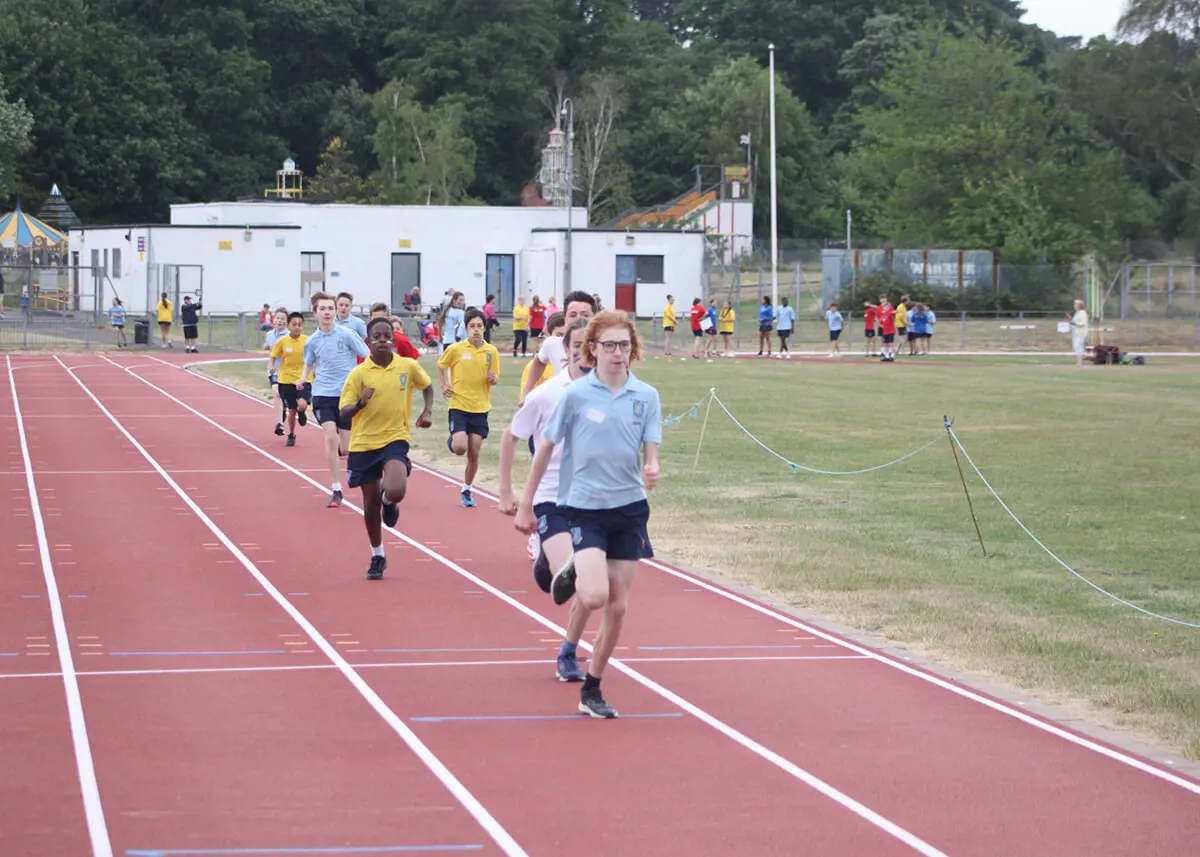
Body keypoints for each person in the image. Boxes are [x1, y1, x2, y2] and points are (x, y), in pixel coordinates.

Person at [515, 311, 661, 719]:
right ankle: (564, 567)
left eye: (625, 346)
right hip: (584, 506)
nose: (618, 353)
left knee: (618, 606)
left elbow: (650, 451)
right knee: (595, 595)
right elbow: (544, 449)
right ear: (592, 349)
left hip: (629, 508)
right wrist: (527, 502)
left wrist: (652, 468)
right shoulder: (575, 396)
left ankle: (592, 687)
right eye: (610, 345)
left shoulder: (646, 397)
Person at [498, 318, 593, 682]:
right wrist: (511, 495)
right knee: (581, 577)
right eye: (577, 346)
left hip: (596, 500)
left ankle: (568, 650)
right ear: (566, 351)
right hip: (552, 496)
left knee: (594, 586)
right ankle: (551, 561)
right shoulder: (547, 394)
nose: (584, 352)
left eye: (591, 345)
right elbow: (511, 436)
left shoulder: (614, 392)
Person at [339, 317, 435, 580]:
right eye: (377, 336)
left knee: (395, 489)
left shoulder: (407, 366)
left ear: (393, 340)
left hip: (395, 437)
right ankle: (377, 555)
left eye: (387, 336)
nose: (383, 340)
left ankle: (388, 500)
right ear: (368, 342)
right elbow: (344, 412)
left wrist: (427, 411)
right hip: (364, 443)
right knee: (369, 505)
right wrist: (360, 403)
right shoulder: (359, 374)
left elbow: (427, 386)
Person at [301, 291, 370, 506]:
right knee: (330, 437)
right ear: (316, 313)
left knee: (347, 448)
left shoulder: (347, 334)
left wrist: (364, 380)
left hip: (346, 395)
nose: (327, 312)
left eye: (330, 308)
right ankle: (336, 488)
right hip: (322, 394)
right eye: (323, 309)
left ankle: (350, 469)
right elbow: (309, 362)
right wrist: (303, 378)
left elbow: (367, 355)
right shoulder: (312, 341)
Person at [437, 307, 500, 508]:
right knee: (459, 447)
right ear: (466, 328)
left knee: (474, 453)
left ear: (484, 328)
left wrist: (493, 378)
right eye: (472, 326)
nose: (476, 330)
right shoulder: (456, 349)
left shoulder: (491, 352)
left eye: (479, 326)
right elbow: (441, 365)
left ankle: (467, 488)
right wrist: (444, 385)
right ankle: (454, 438)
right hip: (459, 405)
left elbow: (494, 379)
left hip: (480, 408)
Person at [518, 290, 596, 405]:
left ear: (594, 318)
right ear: (565, 319)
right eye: (573, 315)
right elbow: (538, 362)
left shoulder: (605, 347)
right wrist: (526, 392)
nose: (579, 319)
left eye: (585, 315)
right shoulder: (553, 344)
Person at [270, 311, 312, 447]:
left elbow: (315, 357)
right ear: (288, 326)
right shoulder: (282, 341)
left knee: (302, 405)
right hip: (286, 380)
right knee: (291, 410)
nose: (297, 327)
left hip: (303, 379)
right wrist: (272, 366)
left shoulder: (307, 340)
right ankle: (292, 434)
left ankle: (302, 412)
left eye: (300, 325)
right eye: (294, 324)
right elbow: (273, 355)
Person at [263, 307, 289, 436]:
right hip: (273, 370)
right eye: (278, 318)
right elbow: (270, 349)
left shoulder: (289, 336)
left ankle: (284, 409)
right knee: (277, 393)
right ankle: (280, 424)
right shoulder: (269, 334)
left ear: (287, 321)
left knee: (285, 397)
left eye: (283, 319)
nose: (280, 321)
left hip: (287, 371)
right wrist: (268, 347)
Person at [1068, 299, 1089, 368]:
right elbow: (1074, 323)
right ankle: (1078, 362)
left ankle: (1080, 363)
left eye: (1076, 305)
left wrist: (1074, 323)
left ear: (1079, 306)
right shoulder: (1076, 313)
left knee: (1079, 346)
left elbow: (1083, 323)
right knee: (1076, 347)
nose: (1074, 306)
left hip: (1080, 333)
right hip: (1075, 333)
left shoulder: (1082, 312)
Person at [876, 296, 897, 362]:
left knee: (891, 344)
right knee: (885, 344)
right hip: (885, 331)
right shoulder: (883, 315)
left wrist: (896, 311)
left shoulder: (890, 313)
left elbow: (894, 312)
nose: (885, 308)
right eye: (885, 307)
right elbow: (880, 320)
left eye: (887, 307)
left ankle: (892, 356)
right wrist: (880, 325)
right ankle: (886, 356)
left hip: (891, 331)